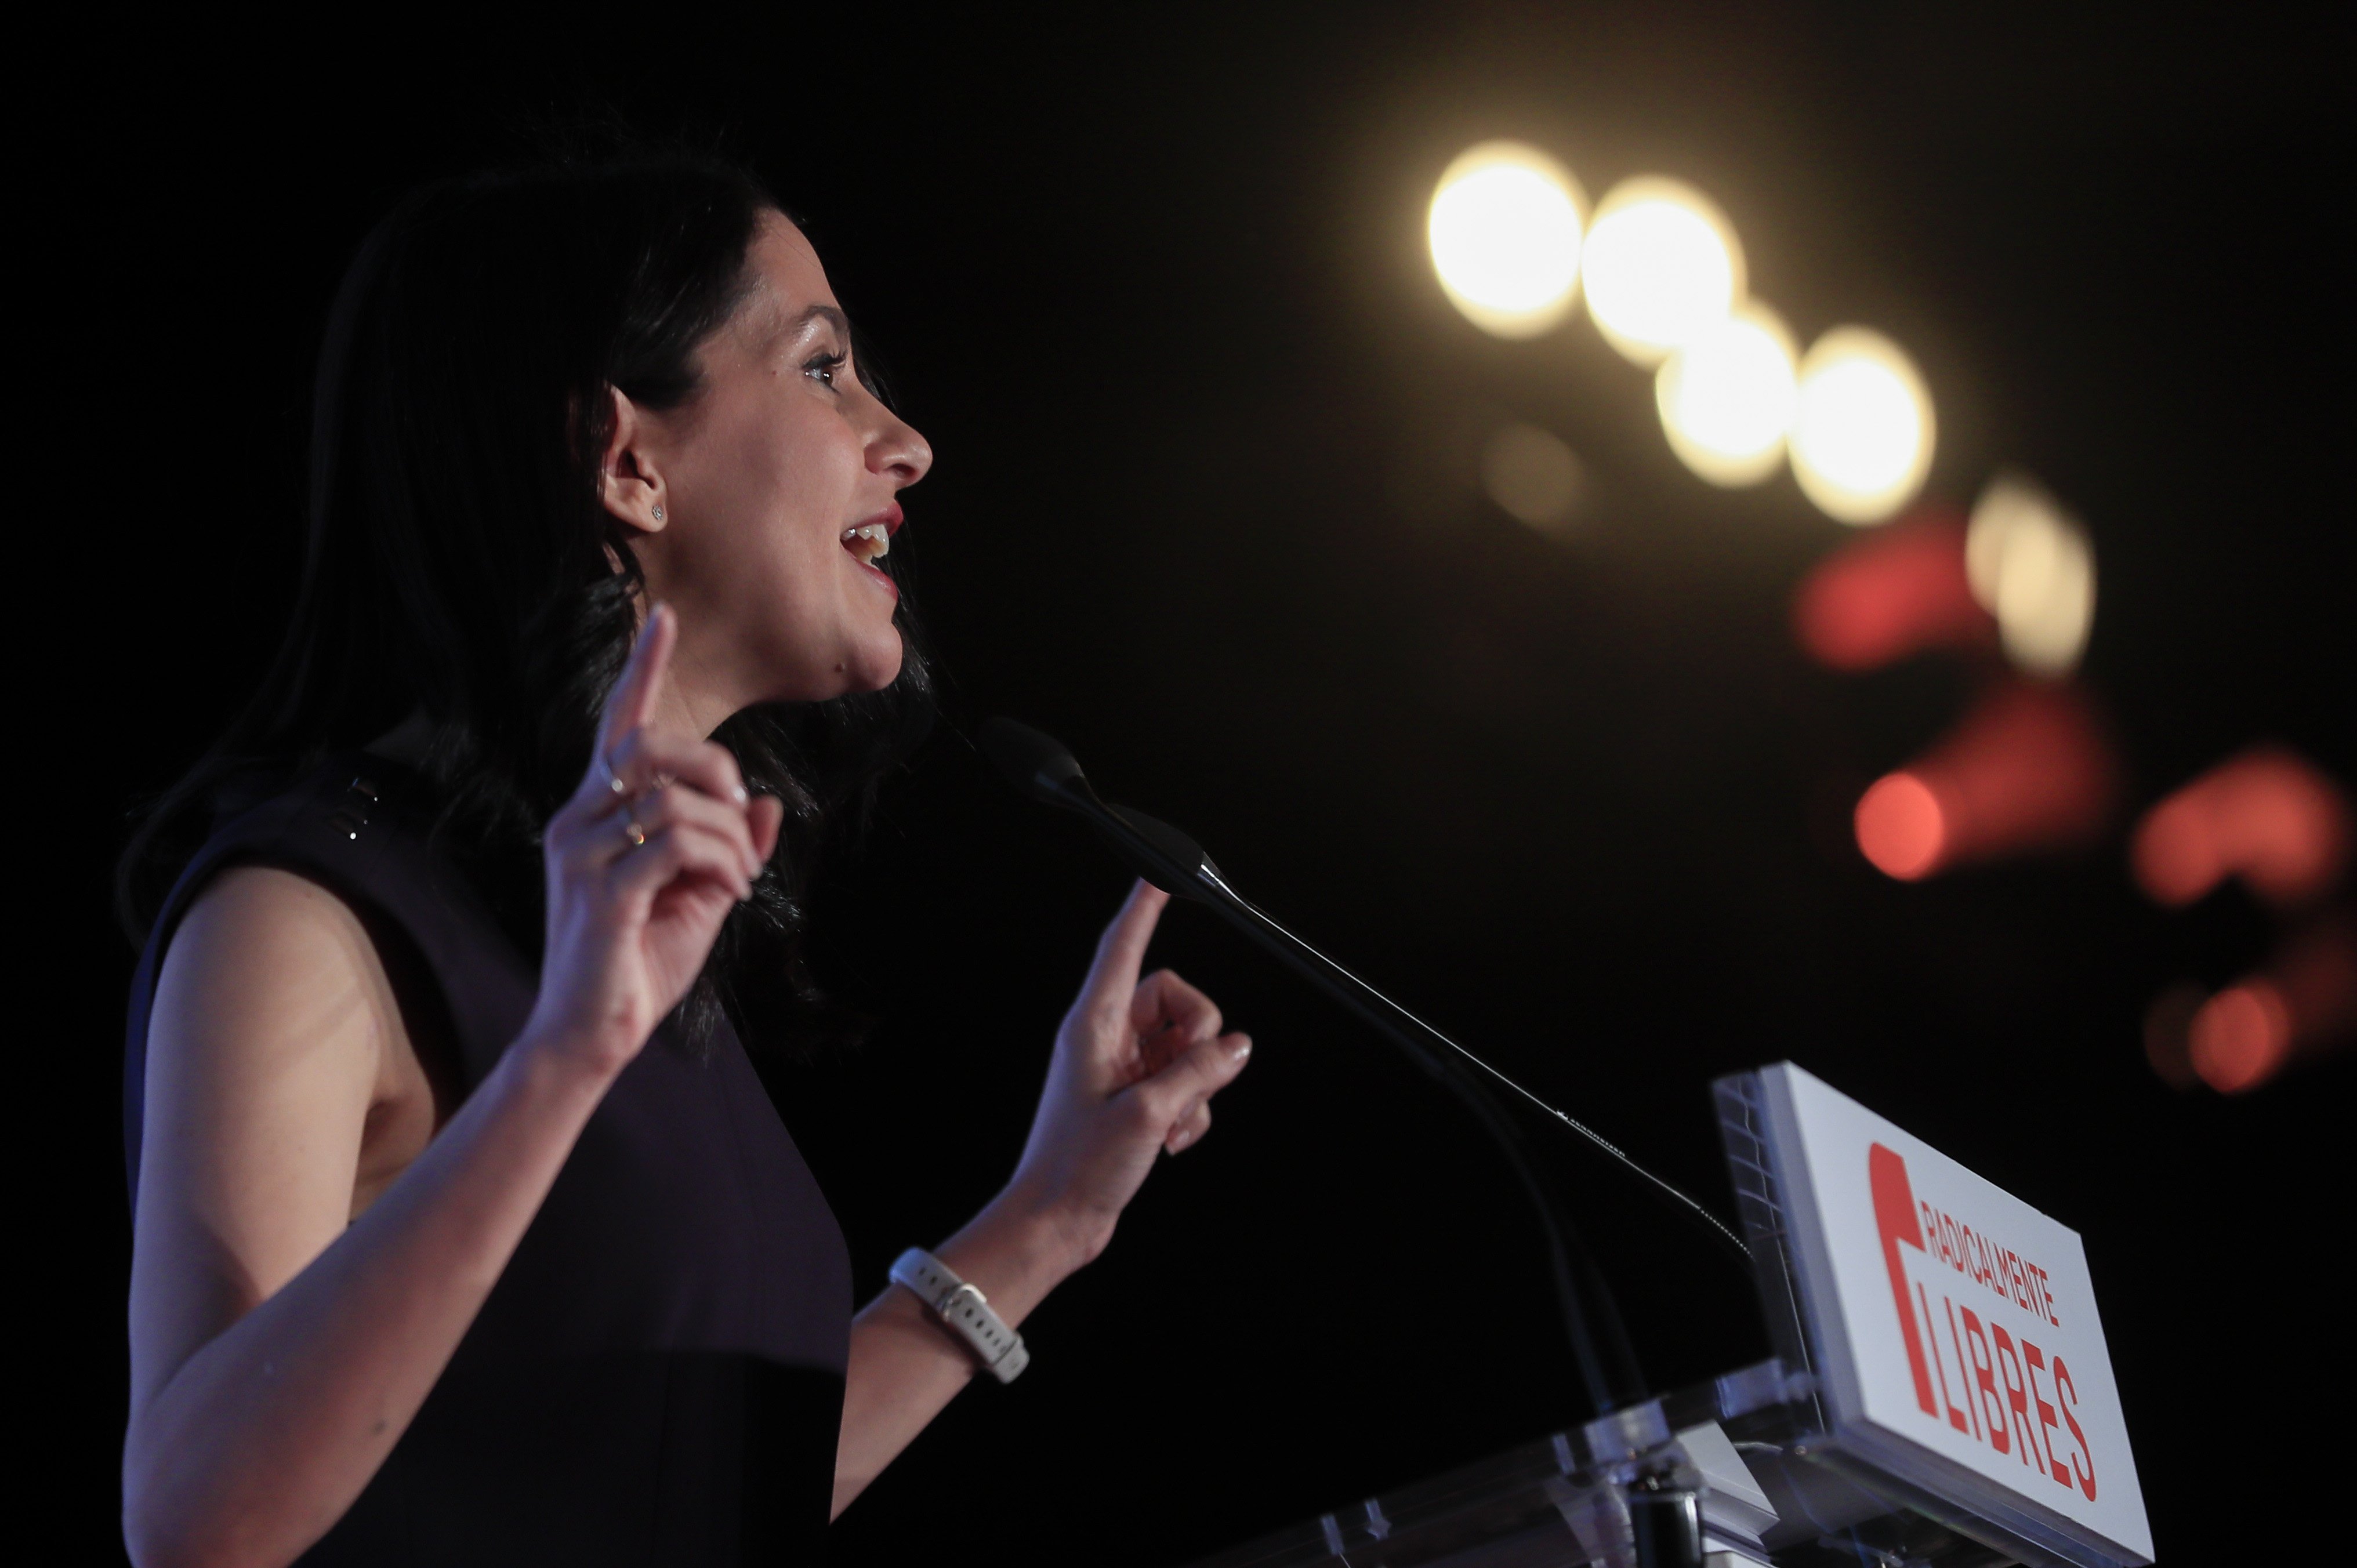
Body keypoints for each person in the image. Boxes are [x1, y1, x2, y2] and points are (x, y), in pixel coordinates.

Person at [117, 151, 1253, 1567]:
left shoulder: (604, 927)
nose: (903, 442)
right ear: (628, 460)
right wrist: (564, 1057)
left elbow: (695, 1505)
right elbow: (192, 1518)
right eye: (824, 367)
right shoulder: (306, 912)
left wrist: (1052, 1218)